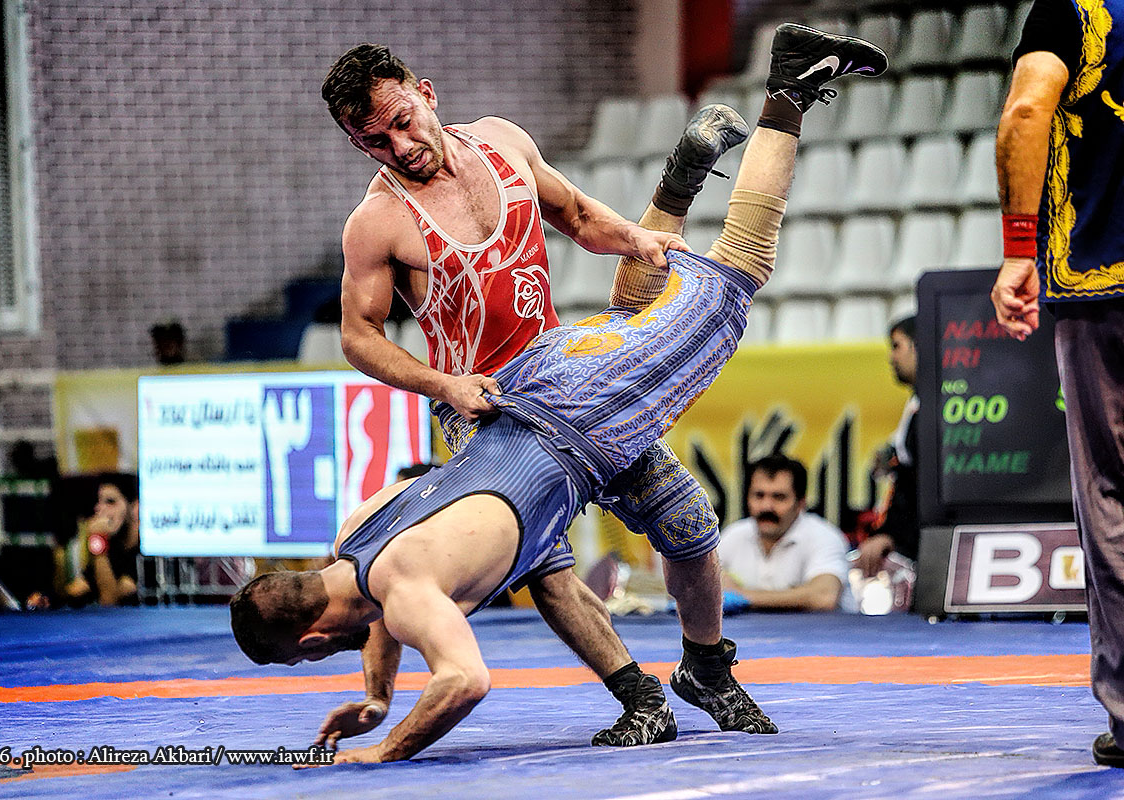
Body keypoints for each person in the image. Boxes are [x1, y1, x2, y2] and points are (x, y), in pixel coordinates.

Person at [228, 25, 888, 764]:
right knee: (540, 563)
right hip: (486, 405)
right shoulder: (377, 222)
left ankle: (705, 666)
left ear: (427, 94)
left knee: (689, 526)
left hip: (563, 367)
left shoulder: (502, 143)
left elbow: (576, 216)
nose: (401, 147)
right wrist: (445, 384)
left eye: (404, 122)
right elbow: (358, 337)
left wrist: (635, 238)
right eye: (375, 142)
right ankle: (641, 697)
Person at [989, 0, 1124, 769]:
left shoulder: (1075, 9)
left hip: (1103, 287)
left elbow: (1026, 109)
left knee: (1111, 496)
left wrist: (1019, 248)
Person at [717, 455, 856, 614]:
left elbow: (824, 597)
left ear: (801, 503)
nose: (766, 506)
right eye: (759, 495)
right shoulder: (734, 534)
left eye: (779, 497)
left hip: (821, 631)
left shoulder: (824, 536)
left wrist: (742, 596)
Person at [855, 315, 920, 577]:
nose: (891, 358)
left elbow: (919, 488)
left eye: (896, 346)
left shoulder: (934, 411)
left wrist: (893, 535)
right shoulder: (915, 404)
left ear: (919, 346)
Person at [27, 474, 142, 609]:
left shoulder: (147, 551)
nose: (100, 508)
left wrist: (98, 541)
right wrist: (46, 600)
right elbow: (81, 587)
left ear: (135, 507)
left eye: (110, 502)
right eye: (99, 501)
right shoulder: (115, 548)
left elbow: (110, 601)